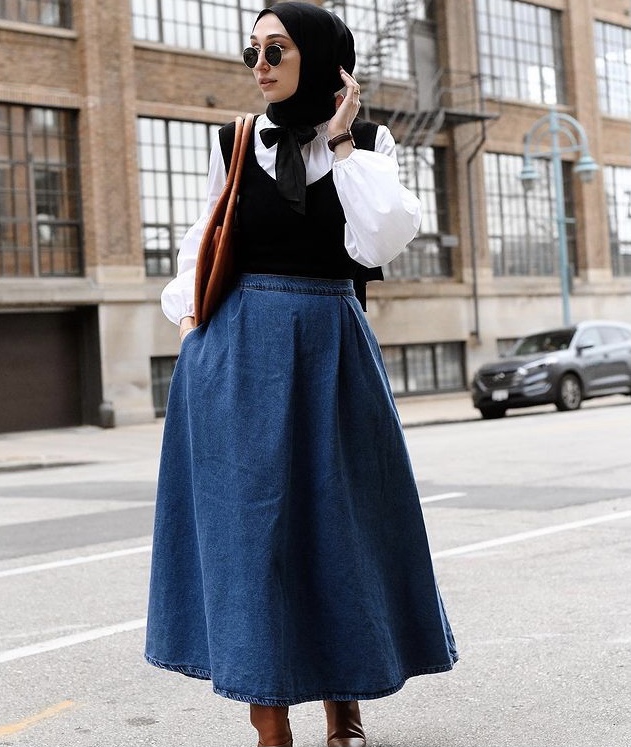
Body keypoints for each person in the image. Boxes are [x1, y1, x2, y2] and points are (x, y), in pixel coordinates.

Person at [145, 4, 458, 746]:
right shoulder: (238, 139)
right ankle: (269, 720)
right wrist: (190, 326)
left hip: (330, 349)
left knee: (338, 526)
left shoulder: (370, 145)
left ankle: (343, 709)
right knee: (251, 535)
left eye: (276, 49)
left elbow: (381, 238)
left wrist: (343, 139)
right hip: (235, 358)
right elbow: (205, 240)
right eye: (250, 50)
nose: (259, 64)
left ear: (320, 58)